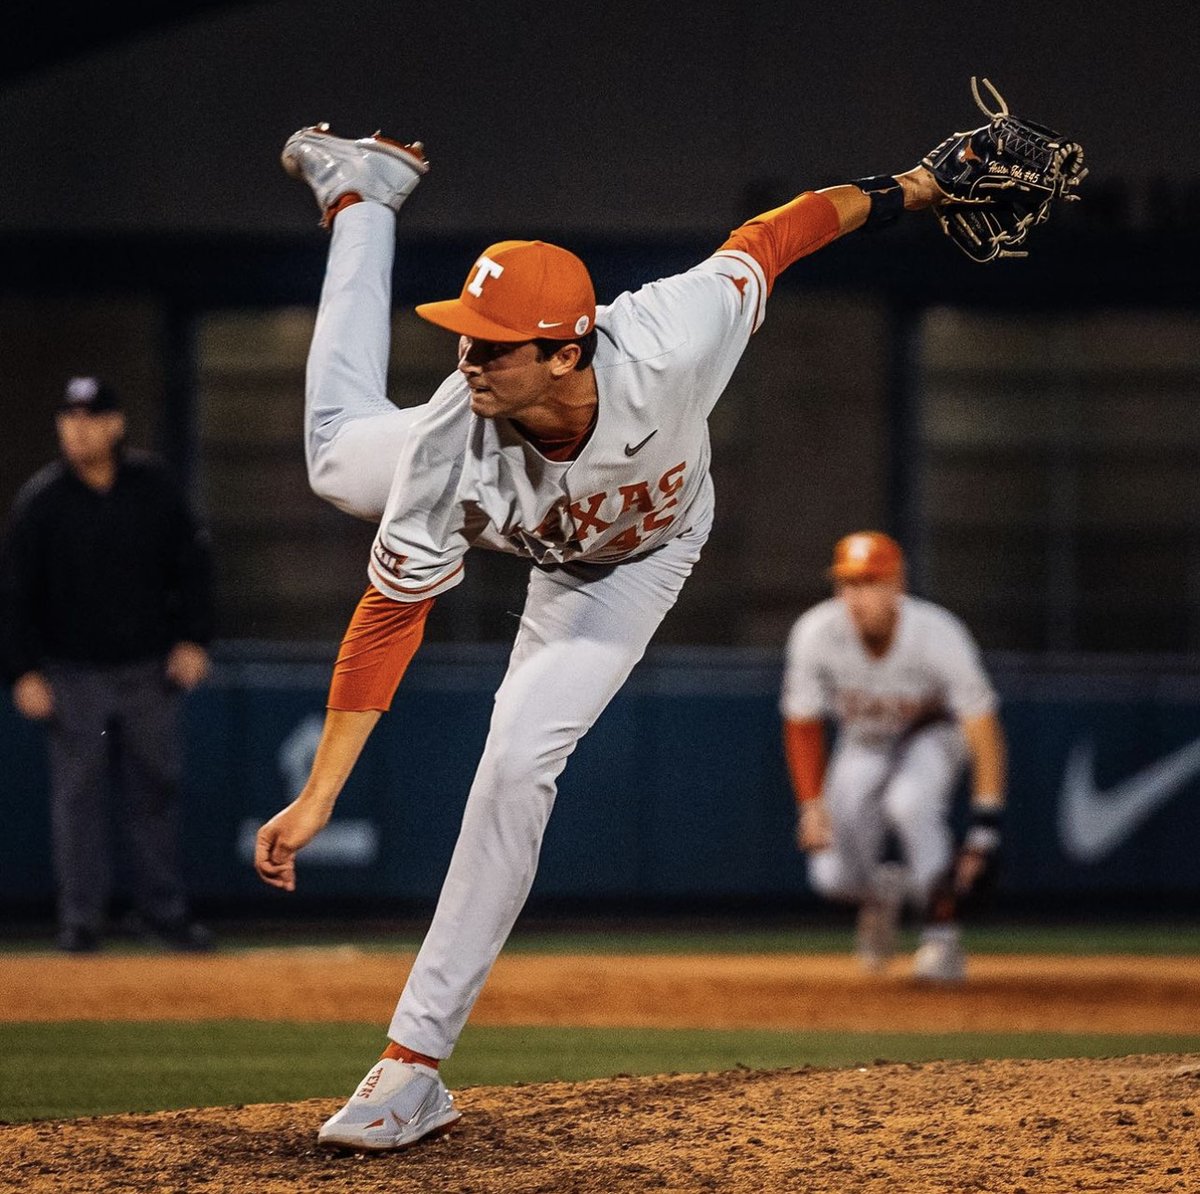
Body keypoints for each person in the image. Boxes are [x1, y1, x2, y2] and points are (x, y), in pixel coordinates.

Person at [255, 123, 951, 1152]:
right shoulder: (455, 430)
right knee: (331, 461)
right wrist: (321, 793)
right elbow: (391, 617)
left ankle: (410, 1069)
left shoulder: (673, 337)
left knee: (515, 764)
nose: (469, 357)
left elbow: (777, 236)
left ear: (567, 349)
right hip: (497, 505)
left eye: (494, 344)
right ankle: (363, 198)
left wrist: (921, 186)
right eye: (464, 335)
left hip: (629, 566)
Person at [0, 376, 215, 954]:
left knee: (157, 790)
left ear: (116, 424)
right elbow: (13, 594)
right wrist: (21, 671)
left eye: (91, 416)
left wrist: (195, 639)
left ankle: (163, 914)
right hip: (72, 673)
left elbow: (195, 568)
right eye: (69, 416)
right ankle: (81, 920)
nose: (79, 427)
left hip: (147, 669)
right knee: (78, 799)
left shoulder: (154, 488)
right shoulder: (43, 499)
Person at [780, 531, 1006, 983]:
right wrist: (811, 805)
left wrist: (985, 827)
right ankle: (882, 895)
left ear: (897, 585)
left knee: (910, 803)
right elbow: (802, 723)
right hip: (863, 743)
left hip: (932, 736)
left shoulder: (937, 633)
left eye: (869, 583)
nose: (855, 596)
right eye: (847, 584)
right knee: (831, 878)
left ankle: (942, 939)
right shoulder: (816, 633)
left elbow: (982, 728)